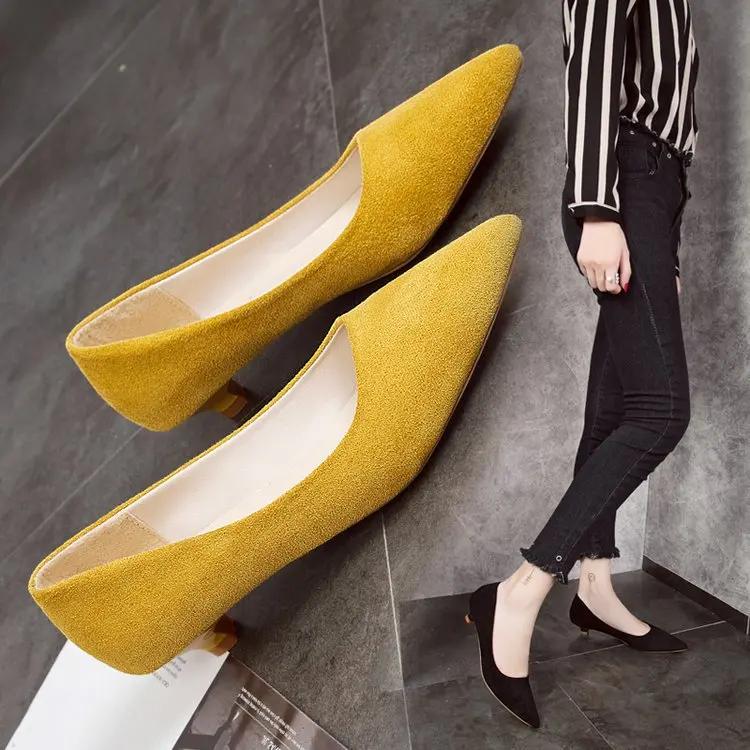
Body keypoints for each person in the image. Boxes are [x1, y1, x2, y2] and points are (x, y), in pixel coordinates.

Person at [466, 0, 699, 728]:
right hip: (624, 181)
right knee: (661, 412)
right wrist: (598, 207)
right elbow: (594, 59)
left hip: (653, 191)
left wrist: (667, 247)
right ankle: (522, 590)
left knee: (615, 411)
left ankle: (594, 587)